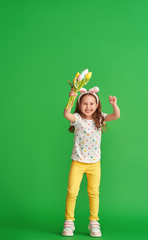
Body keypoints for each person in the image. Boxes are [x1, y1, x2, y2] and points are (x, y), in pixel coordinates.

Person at [62, 86, 120, 237]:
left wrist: (114, 104)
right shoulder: (78, 118)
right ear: (80, 105)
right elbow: (66, 114)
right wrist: (71, 98)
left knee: (94, 193)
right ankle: (69, 222)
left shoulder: (100, 117)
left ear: (97, 105)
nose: (88, 107)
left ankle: (94, 222)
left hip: (95, 163)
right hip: (78, 162)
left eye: (91, 104)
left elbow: (116, 116)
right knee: (72, 192)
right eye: (85, 104)